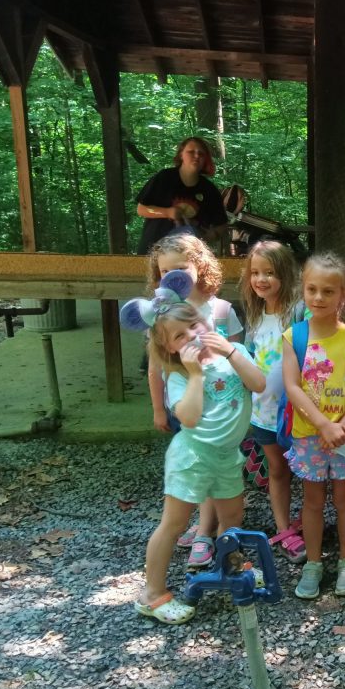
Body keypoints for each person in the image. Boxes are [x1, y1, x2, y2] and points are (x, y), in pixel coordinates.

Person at [120, 271, 264, 624]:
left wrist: (230, 350)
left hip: (227, 456)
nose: (192, 337)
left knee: (232, 516)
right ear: (169, 346)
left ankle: (231, 566)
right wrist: (196, 375)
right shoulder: (180, 374)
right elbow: (187, 417)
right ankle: (152, 594)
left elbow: (258, 383)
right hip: (192, 456)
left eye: (194, 327)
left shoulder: (234, 353)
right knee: (174, 522)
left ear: (206, 321)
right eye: (180, 336)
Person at [145, 234, 244, 569]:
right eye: (164, 272)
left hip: (222, 407)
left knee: (218, 468)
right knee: (196, 467)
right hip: (186, 398)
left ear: (200, 265)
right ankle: (202, 531)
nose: (172, 277)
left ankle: (206, 530)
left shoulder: (220, 309)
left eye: (180, 268)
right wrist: (158, 406)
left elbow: (236, 359)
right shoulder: (161, 315)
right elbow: (155, 367)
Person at [283, 253, 345, 600]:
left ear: (343, 296)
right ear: (303, 290)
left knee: (344, 499)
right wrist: (323, 425)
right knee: (311, 500)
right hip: (309, 437)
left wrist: (344, 425)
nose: (318, 298)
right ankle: (314, 562)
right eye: (312, 289)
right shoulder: (295, 336)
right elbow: (292, 386)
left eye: (327, 291)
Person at [238, 240, 307, 564]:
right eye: (255, 273)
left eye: (269, 272)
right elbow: (248, 359)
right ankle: (283, 527)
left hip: (300, 410)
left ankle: (309, 519)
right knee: (277, 469)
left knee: (307, 469)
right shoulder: (253, 315)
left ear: (285, 273)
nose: (261, 279)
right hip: (264, 411)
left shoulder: (297, 310)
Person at [135, 137, 227, 255]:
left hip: (189, 257)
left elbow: (222, 224)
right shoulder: (164, 178)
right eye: (191, 152)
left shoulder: (209, 190)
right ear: (181, 155)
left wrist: (209, 236)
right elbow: (141, 209)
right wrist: (166, 212)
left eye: (201, 153)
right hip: (153, 252)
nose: (196, 156)